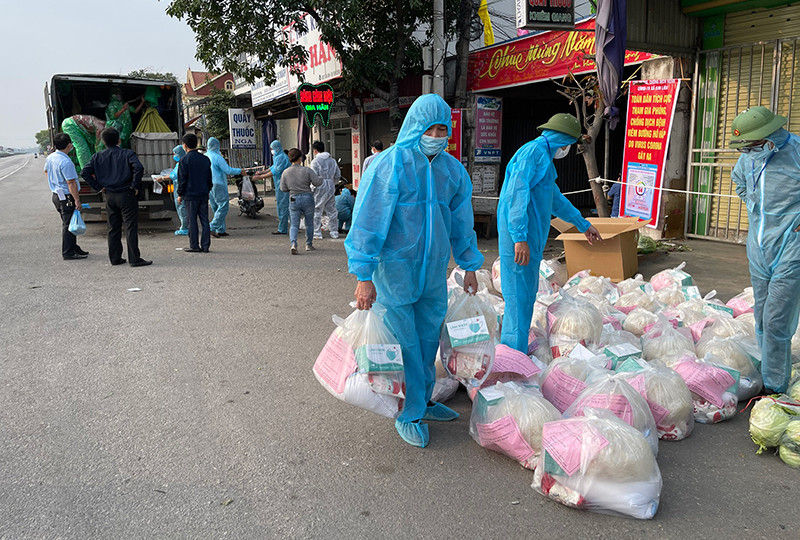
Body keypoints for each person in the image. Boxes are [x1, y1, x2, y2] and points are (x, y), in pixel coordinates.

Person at [345, 94, 483, 448]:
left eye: (442, 130)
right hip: (394, 273)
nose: (436, 136)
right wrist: (363, 275)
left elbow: (462, 223)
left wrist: (469, 264)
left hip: (433, 273)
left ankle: (422, 399)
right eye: (429, 129)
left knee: (427, 341)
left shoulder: (452, 171)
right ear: (415, 127)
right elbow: (367, 222)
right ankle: (408, 411)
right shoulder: (389, 165)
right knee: (403, 345)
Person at [497, 113, 602, 353]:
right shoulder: (531, 154)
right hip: (520, 238)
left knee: (525, 296)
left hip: (529, 239)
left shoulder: (543, 158)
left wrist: (583, 224)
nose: (567, 150)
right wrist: (519, 237)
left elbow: (555, 199)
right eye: (569, 144)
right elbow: (516, 196)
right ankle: (512, 355)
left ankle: (516, 351)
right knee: (517, 297)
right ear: (562, 139)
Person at [730, 106, 800, 393]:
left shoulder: (796, 152)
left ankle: (774, 386)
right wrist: (751, 203)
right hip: (759, 247)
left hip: (791, 247)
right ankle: (767, 365)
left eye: (751, 145)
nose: (747, 151)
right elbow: (738, 179)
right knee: (760, 314)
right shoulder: (749, 157)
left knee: (776, 320)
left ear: (768, 137)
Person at [81, 127, 151, 267]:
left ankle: (115, 258)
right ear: (119, 140)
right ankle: (134, 258)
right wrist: (134, 185)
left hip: (109, 195)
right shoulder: (128, 154)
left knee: (113, 227)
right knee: (130, 226)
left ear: (103, 141)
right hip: (126, 194)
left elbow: (85, 173)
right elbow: (139, 168)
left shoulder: (97, 156)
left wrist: (98, 187)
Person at [44, 132, 88, 260]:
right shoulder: (65, 162)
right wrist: (77, 200)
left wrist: (54, 182)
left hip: (57, 195)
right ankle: (68, 252)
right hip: (67, 197)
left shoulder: (51, 157)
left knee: (69, 222)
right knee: (68, 224)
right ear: (69, 145)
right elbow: (71, 182)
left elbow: (46, 171)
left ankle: (73, 247)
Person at [280, 148, 323, 254]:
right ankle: (308, 244)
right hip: (307, 198)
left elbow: (283, 188)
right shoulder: (307, 170)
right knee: (309, 223)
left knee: (294, 224)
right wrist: (322, 178)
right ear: (300, 158)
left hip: (293, 198)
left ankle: (293, 244)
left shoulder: (285, 172)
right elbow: (317, 182)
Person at [177, 133, 214, 253]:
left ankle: (194, 245)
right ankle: (206, 246)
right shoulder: (205, 159)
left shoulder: (184, 160)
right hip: (203, 194)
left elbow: (182, 179)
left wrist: (180, 194)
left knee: (192, 221)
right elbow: (209, 178)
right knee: (204, 220)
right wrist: (207, 190)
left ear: (185, 145)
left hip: (190, 195)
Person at [206, 137, 241, 238]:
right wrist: (240, 171)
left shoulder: (205, 156)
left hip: (209, 184)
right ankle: (212, 226)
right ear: (217, 145)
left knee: (215, 207)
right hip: (218, 184)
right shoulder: (217, 157)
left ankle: (220, 229)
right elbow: (228, 170)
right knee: (223, 206)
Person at [256, 140, 291, 235]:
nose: (271, 150)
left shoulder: (281, 157)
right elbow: (272, 168)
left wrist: (260, 177)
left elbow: (275, 171)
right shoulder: (278, 157)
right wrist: (262, 172)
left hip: (282, 184)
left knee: (283, 206)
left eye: (272, 149)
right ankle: (291, 226)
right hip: (281, 184)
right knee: (285, 206)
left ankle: (282, 229)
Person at [154, 145, 189, 235]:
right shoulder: (184, 162)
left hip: (180, 189)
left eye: (175, 154)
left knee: (182, 208)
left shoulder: (181, 164)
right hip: (183, 188)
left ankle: (185, 228)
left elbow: (174, 176)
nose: (174, 156)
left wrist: (162, 178)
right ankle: (185, 226)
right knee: (183, 208)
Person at [310, 141, 340, 239]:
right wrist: (332, 182)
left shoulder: (315, 161)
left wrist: (312, 188)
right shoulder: (332, 160)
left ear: (315, 151)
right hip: (330, 186)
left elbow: (313, 176)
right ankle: (334, 232)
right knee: (331, 209)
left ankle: (317, 232)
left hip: (320, 186)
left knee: (317, 210)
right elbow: (337, 175)